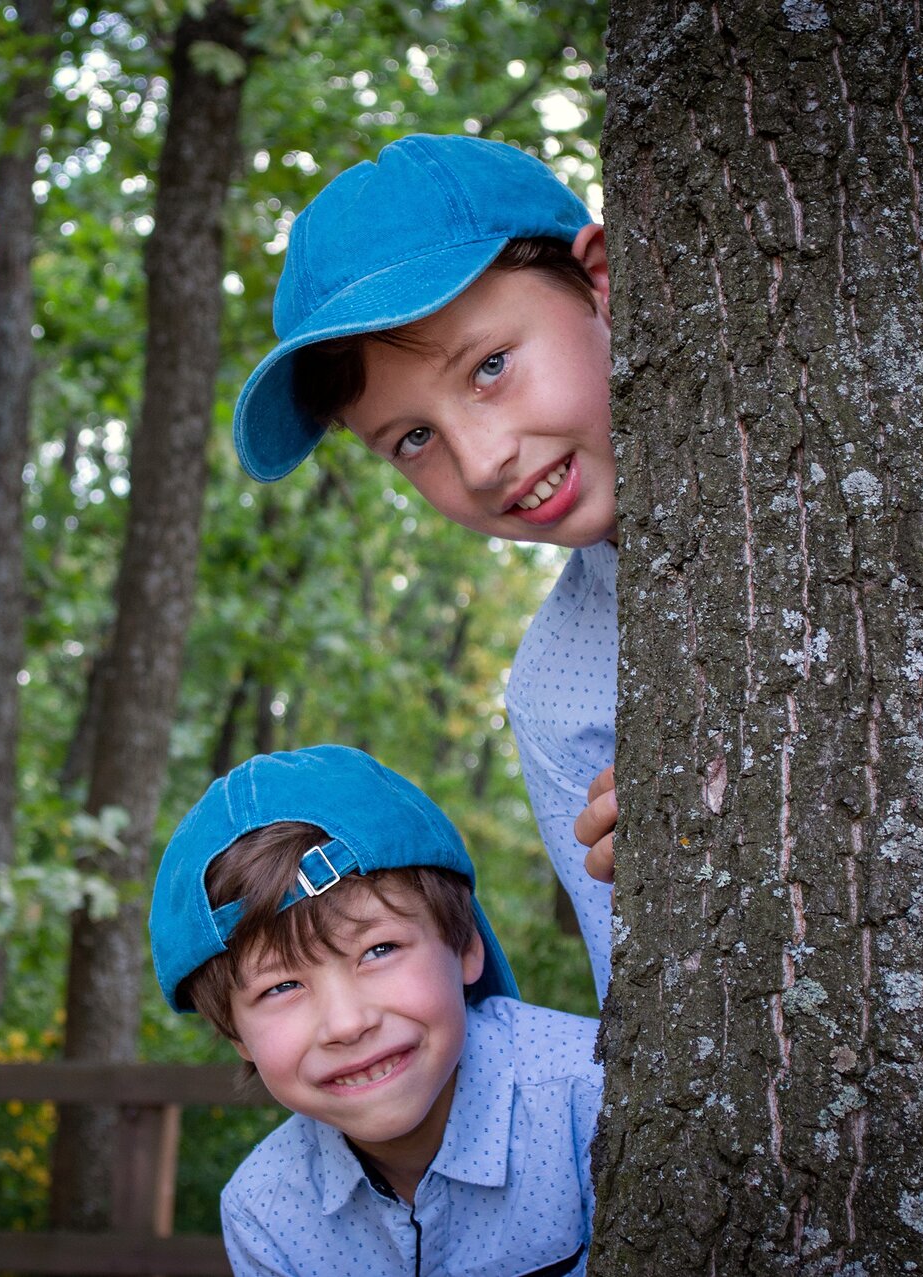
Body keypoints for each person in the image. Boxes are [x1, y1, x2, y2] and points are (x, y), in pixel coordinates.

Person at [231, 134, 621, 1002]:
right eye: (413, 439)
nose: (481, 461)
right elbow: (644, 998)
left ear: (602, 281)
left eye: (489, 367)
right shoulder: (560, 703)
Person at [150, 745, 600, 1277]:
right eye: (281, 987)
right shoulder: (266, 1214)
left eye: (378, 951)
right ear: (236, 1035)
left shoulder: (600, 1106)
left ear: (465, 947)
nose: (347, 1023)